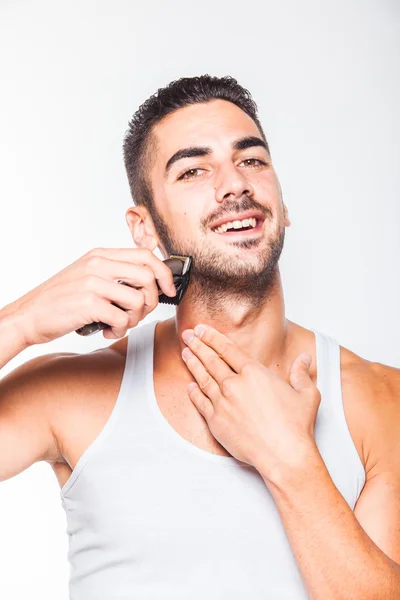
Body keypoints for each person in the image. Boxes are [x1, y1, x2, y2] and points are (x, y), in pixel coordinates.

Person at [0, 75, 399, 600]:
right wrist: (20, 322)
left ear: (281, 200)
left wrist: (289, 460)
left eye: (251, 160)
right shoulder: (71, 394)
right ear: (145, 230)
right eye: (193, 170)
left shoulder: (379, 399)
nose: (234, 184)